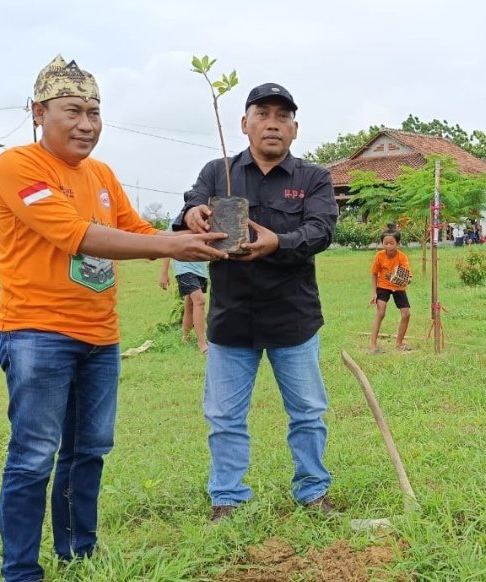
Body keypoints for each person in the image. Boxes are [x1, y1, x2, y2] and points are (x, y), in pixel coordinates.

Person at [0, 55, 225, 582]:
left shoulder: (101, 174)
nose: (86, 124)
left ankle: (79, 554)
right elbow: (76, 234)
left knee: (89, 449)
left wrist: (187, 226)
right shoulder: (17, 166)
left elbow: (134, 229)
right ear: (38, 112)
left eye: (94, 113)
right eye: (72, 111)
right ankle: (20, 571)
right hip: (36, 332)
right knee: (33, 456)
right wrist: (172, 245)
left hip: (99, 334)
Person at [173, 82, 339, 522]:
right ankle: (227, 499)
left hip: (293, 319)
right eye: (262, 114)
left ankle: (313, 491)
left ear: (295, 129)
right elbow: (189, 208)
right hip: (231, 320)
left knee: (308, 413)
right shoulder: (218, 172)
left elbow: (322, 230)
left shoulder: (313, 178)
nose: (272, 124)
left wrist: (277, 242)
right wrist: (192, 214)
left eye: (283, 116)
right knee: (225, 417)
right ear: (244, 124)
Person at [369, 229, 413, 353]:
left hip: (399, 288)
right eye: (386, 243)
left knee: (406, 314)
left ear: (398, 244)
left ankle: (399, 343)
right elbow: (374, 274)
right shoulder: (379, 256)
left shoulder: (402, 257)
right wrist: (374, 293)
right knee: (381, 311)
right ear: (382, 243)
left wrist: (408, 280)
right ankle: (372, 344)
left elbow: (408, 275)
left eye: (391, 243)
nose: (388, 246)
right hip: (383, 286)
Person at [159, 255, 209, 353]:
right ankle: (202, 343)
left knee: (189, 304)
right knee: (199, 301)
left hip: (200, 269)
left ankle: (185, 339)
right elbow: (168, 248)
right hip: (184, 268)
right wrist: (164, 273)